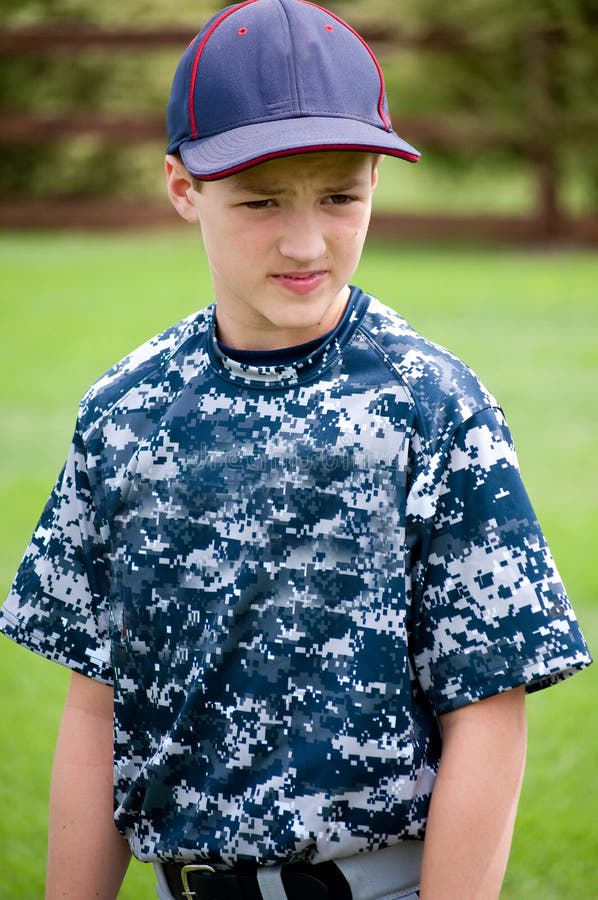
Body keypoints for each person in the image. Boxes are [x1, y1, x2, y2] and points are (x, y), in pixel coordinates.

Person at [0, 1, 592, 898]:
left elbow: (489, 709)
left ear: (374, 187)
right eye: (261, 200)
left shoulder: (433, 408)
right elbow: (96, 708)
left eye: (340, 196)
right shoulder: (124, 413)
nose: (307, 240)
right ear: (182, 187)